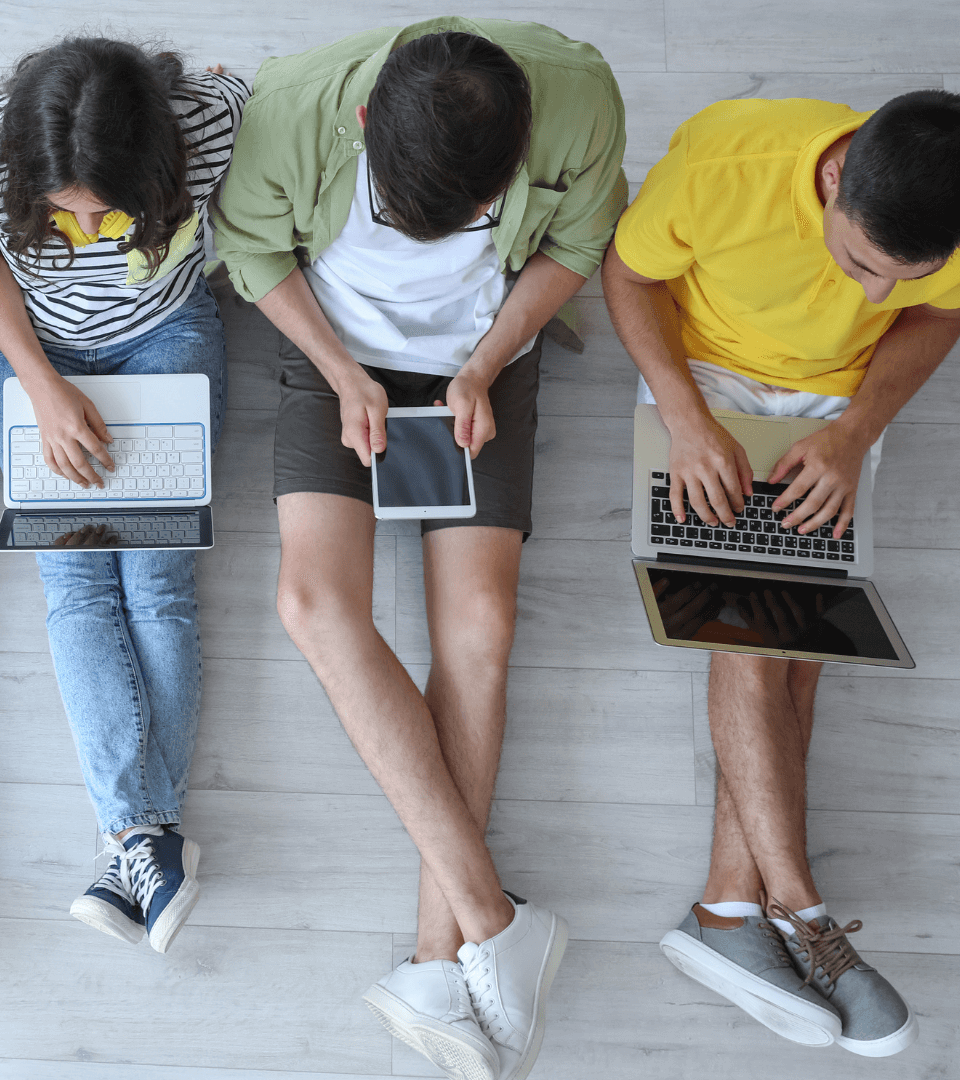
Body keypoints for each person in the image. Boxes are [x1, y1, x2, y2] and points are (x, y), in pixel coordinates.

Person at [213, 19, 626, 1080]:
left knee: (482, 629)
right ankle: (497, 920)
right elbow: (255, 252)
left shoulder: (580, 100)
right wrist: (345, 375)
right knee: (312, 606)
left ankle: (441, 958)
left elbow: (577, 246)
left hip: (485, 364)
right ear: (361, 128)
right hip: (332, 353)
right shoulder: (289, 110)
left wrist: (485, 365)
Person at [601, 89, 960, 1058]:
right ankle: (798, 913)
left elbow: (938, 316)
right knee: (752, 626)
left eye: (899, 278)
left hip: (839, 404)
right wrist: (685, 415)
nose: (874, 297)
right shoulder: (721, 171)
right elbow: (627, 278)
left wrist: (855, 432)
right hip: (708, 371)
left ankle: (724, 912)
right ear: (833, 181)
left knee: (804, 641)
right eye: (860, 266)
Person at [0, 38, 247, 953]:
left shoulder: (207, 125)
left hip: (168, 333)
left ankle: (128, 842)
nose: (85, 226)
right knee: (75, 586)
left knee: (157, 587)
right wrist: (40, 382)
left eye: (106, 211)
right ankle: (147, 839)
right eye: (61, 212)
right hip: (34, 353)